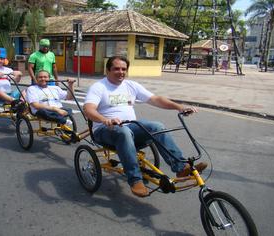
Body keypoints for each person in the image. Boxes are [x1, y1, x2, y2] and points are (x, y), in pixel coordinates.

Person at [84, 56, 207, 198]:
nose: (121, 72)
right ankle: (135, 179)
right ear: (107, 70)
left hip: (130, 127)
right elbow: (89, 109)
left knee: (157, 126)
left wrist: (179, 107)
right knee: (123, 132)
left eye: (124, 69)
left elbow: (155, 99)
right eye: (116, 69)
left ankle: (181, 168)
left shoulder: (131, 86)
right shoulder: (99, 87)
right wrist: (105, 120)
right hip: (105, 130)